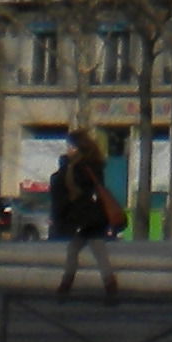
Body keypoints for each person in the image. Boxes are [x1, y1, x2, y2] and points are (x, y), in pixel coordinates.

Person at [53, 126, 120, 296]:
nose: (68, 150)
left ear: (77, 148)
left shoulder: (79, 167)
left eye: (70, 146)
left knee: (78, 250)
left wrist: (65, 168)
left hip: (87, 218)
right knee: (93, 251)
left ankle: (66, 287)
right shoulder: (91, 164)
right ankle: (109, 287)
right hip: (94, 218)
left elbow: (74, 190)